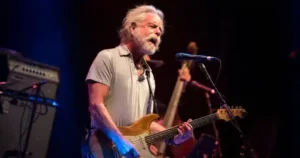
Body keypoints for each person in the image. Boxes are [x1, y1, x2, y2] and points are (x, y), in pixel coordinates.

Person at [83, 4, 194, 158]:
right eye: (153, 26)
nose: (158, 33)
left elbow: (145, 124)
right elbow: (95, 106)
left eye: (160, 33)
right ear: (133, 28)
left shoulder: (149, 76)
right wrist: (120, 141)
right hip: (105, 147)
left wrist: (175, 136)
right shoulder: (108, 57)